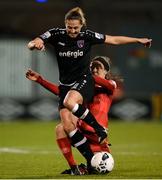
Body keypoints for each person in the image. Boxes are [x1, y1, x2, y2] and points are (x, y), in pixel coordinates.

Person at [27, 6, 151, 169]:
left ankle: (99, 129)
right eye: (69, 27)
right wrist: (36, 45)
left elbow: (113, 40)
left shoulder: (87, 37)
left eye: (75, 28)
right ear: (65, 24)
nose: (72, 31)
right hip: (66, 85)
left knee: (70, 102)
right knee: (62, 126)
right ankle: (77, 167)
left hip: (82, 80)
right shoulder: (56, 34)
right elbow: (34, 42)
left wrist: (137, 40)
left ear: (81, 26)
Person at [26, 56, 120, 175]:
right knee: (60, 129)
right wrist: (40, 80)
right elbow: (63, 94)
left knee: (99, 166)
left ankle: (89, 165)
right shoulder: (85, 87)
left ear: (106, 71)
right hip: (83, 129)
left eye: (98, 67)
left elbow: (110, 86)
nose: (94, 70)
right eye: (92, 68)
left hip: (97, 136)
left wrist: (85, 75)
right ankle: (74, 168)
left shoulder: (110, 85)